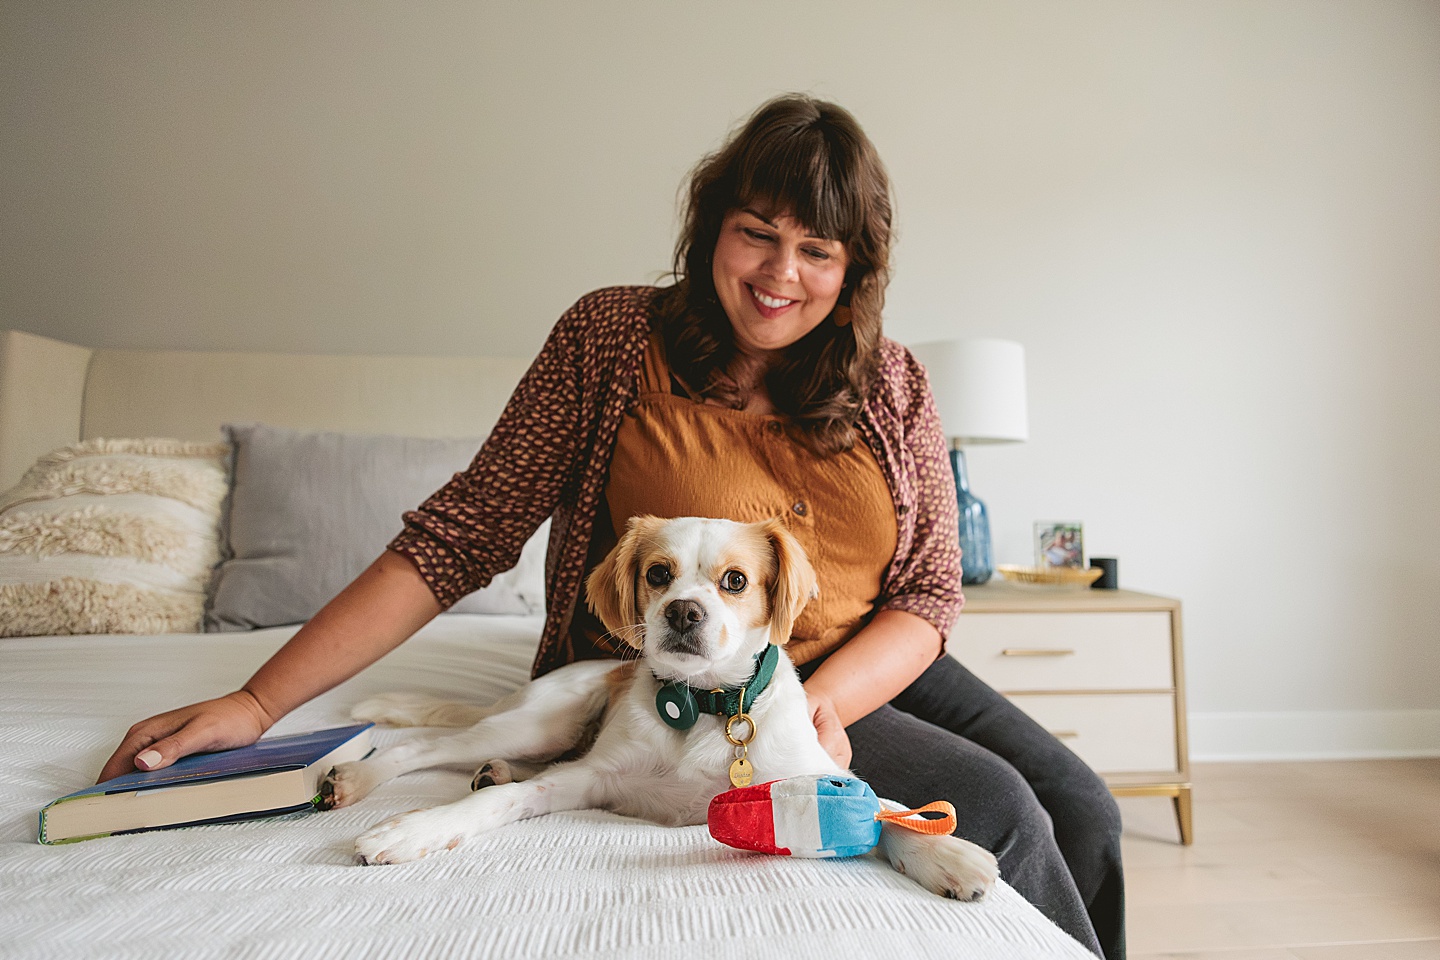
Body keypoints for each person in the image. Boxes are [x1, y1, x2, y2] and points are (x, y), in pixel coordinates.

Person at [99, 95, 1124, 959]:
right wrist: (256, 700)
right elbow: (463, 533)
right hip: (696, 677)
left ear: (853, 269)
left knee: (1085, 805)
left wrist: (826, 702)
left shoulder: (894, 380)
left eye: (818, 249)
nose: (781, 272)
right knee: (1001, 810)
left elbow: (930, 590)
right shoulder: (607, 338)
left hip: (868, 661)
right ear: (712, 226)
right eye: (758, 232)